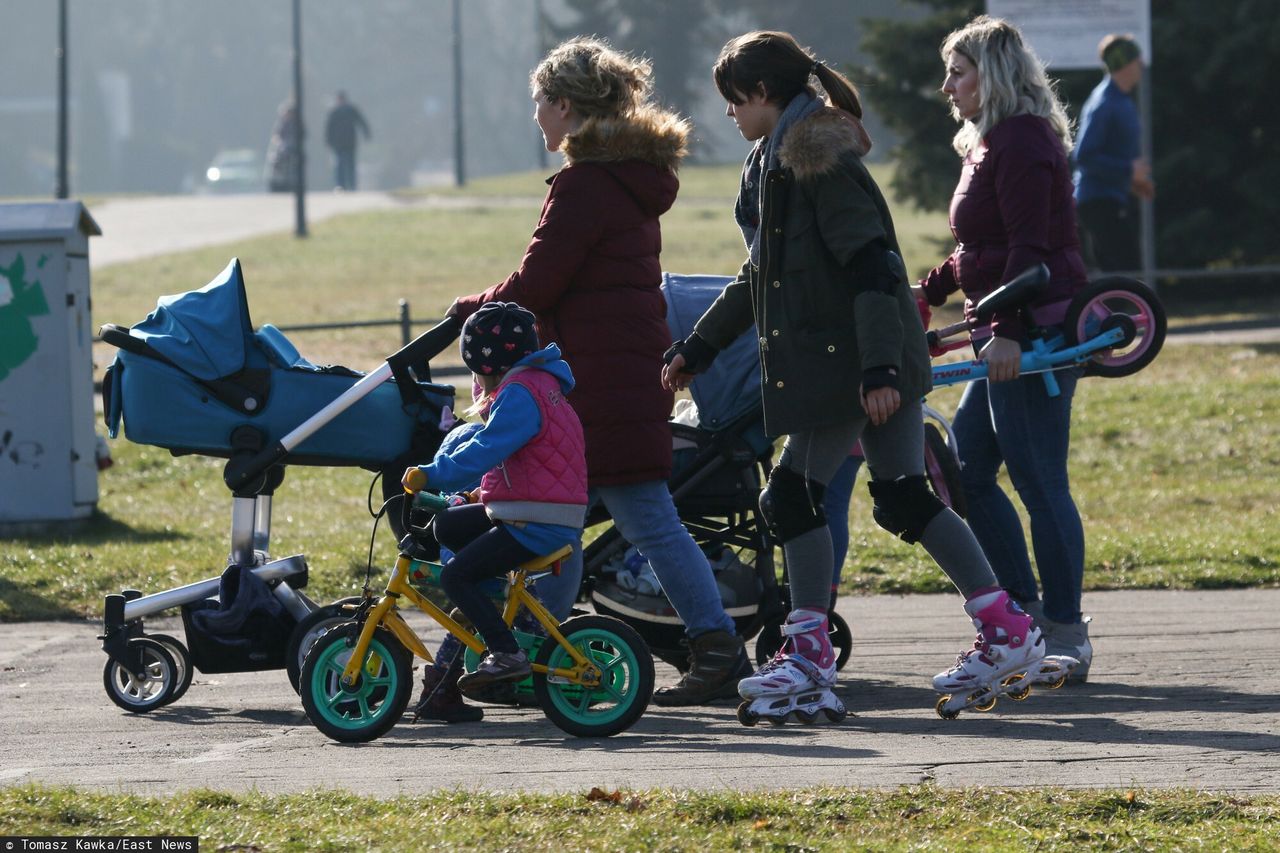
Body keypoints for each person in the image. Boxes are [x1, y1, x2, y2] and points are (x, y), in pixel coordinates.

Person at [663, 30, 1044, 724]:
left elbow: (873, 266)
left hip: (855, 360)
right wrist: (700, 344)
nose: (728, 114)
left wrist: (878, 369)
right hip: (863, 356)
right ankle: (1007, 629)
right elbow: (761, 274)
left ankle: (808, 657)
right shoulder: (772, 157)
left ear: (761, 94)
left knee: (791, 498)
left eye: (733, 101)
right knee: (902, 495)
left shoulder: (815, 160)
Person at [443, 37, 751, 706]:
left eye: (538, 104)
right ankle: (549, 653)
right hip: (622, 374)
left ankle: (699, 646)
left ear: (562, 105)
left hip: (592, 385)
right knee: (581, 520)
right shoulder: (627, 178)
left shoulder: (586, 184)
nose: (535, 118)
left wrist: (470, 309)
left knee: (584, 520)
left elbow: (539, 282)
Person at [918, 15, 1093, 681]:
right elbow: (977, 249)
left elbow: (1030, 251)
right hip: (1001, 325)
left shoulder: (1020, 140)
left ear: (991, 76)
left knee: (1039, 481)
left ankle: (1066, 633)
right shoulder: (989, 142)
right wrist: (929, 287)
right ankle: (1023, 612)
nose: (946, 86)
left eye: (957, 72)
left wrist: (1013, 331)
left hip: (1032, 331)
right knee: (965, 469)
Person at [402, 302, 587, 700]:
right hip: (530, 509)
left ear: (486, 365)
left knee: (455, 576)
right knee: (448, 525)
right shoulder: (537, 385)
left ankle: (506, 651)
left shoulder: (520, 394)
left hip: (537, 521)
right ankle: (485, 598)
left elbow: (487, 447)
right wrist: (475, 495)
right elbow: (524, 465)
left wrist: (433, 473)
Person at [1073, 34, 1153, 272]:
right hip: (1098, 200)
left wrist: (1132, 181)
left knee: (1122, 271)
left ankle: (1109, 310)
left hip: (1109, 197)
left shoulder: (1120, 99)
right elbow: (1084, 156)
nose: (1141, 66)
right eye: (1137, 60)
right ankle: (1106, 311)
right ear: (1126, 65)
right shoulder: (1105, 102)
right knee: (1122, 271)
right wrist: (1129, 171)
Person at [324, 91, 371, 191]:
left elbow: (361, 122)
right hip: (343, 142)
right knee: (342, 164)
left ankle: (348, 185)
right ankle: (344, 185)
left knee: (346, 164)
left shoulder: (340, 111)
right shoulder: (342, 111)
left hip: (346, 142)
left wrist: (328, 140)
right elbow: (329, 128)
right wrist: (366, 134)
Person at [266, 100, 301, 193]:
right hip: (283, 149)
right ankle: (279, 181)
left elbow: (301, 135)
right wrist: (279, 143)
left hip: (293, 149)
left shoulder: (296, 124)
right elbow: (276, 136)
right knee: (277, 161)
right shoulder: (281, 124)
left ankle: (292, 181)